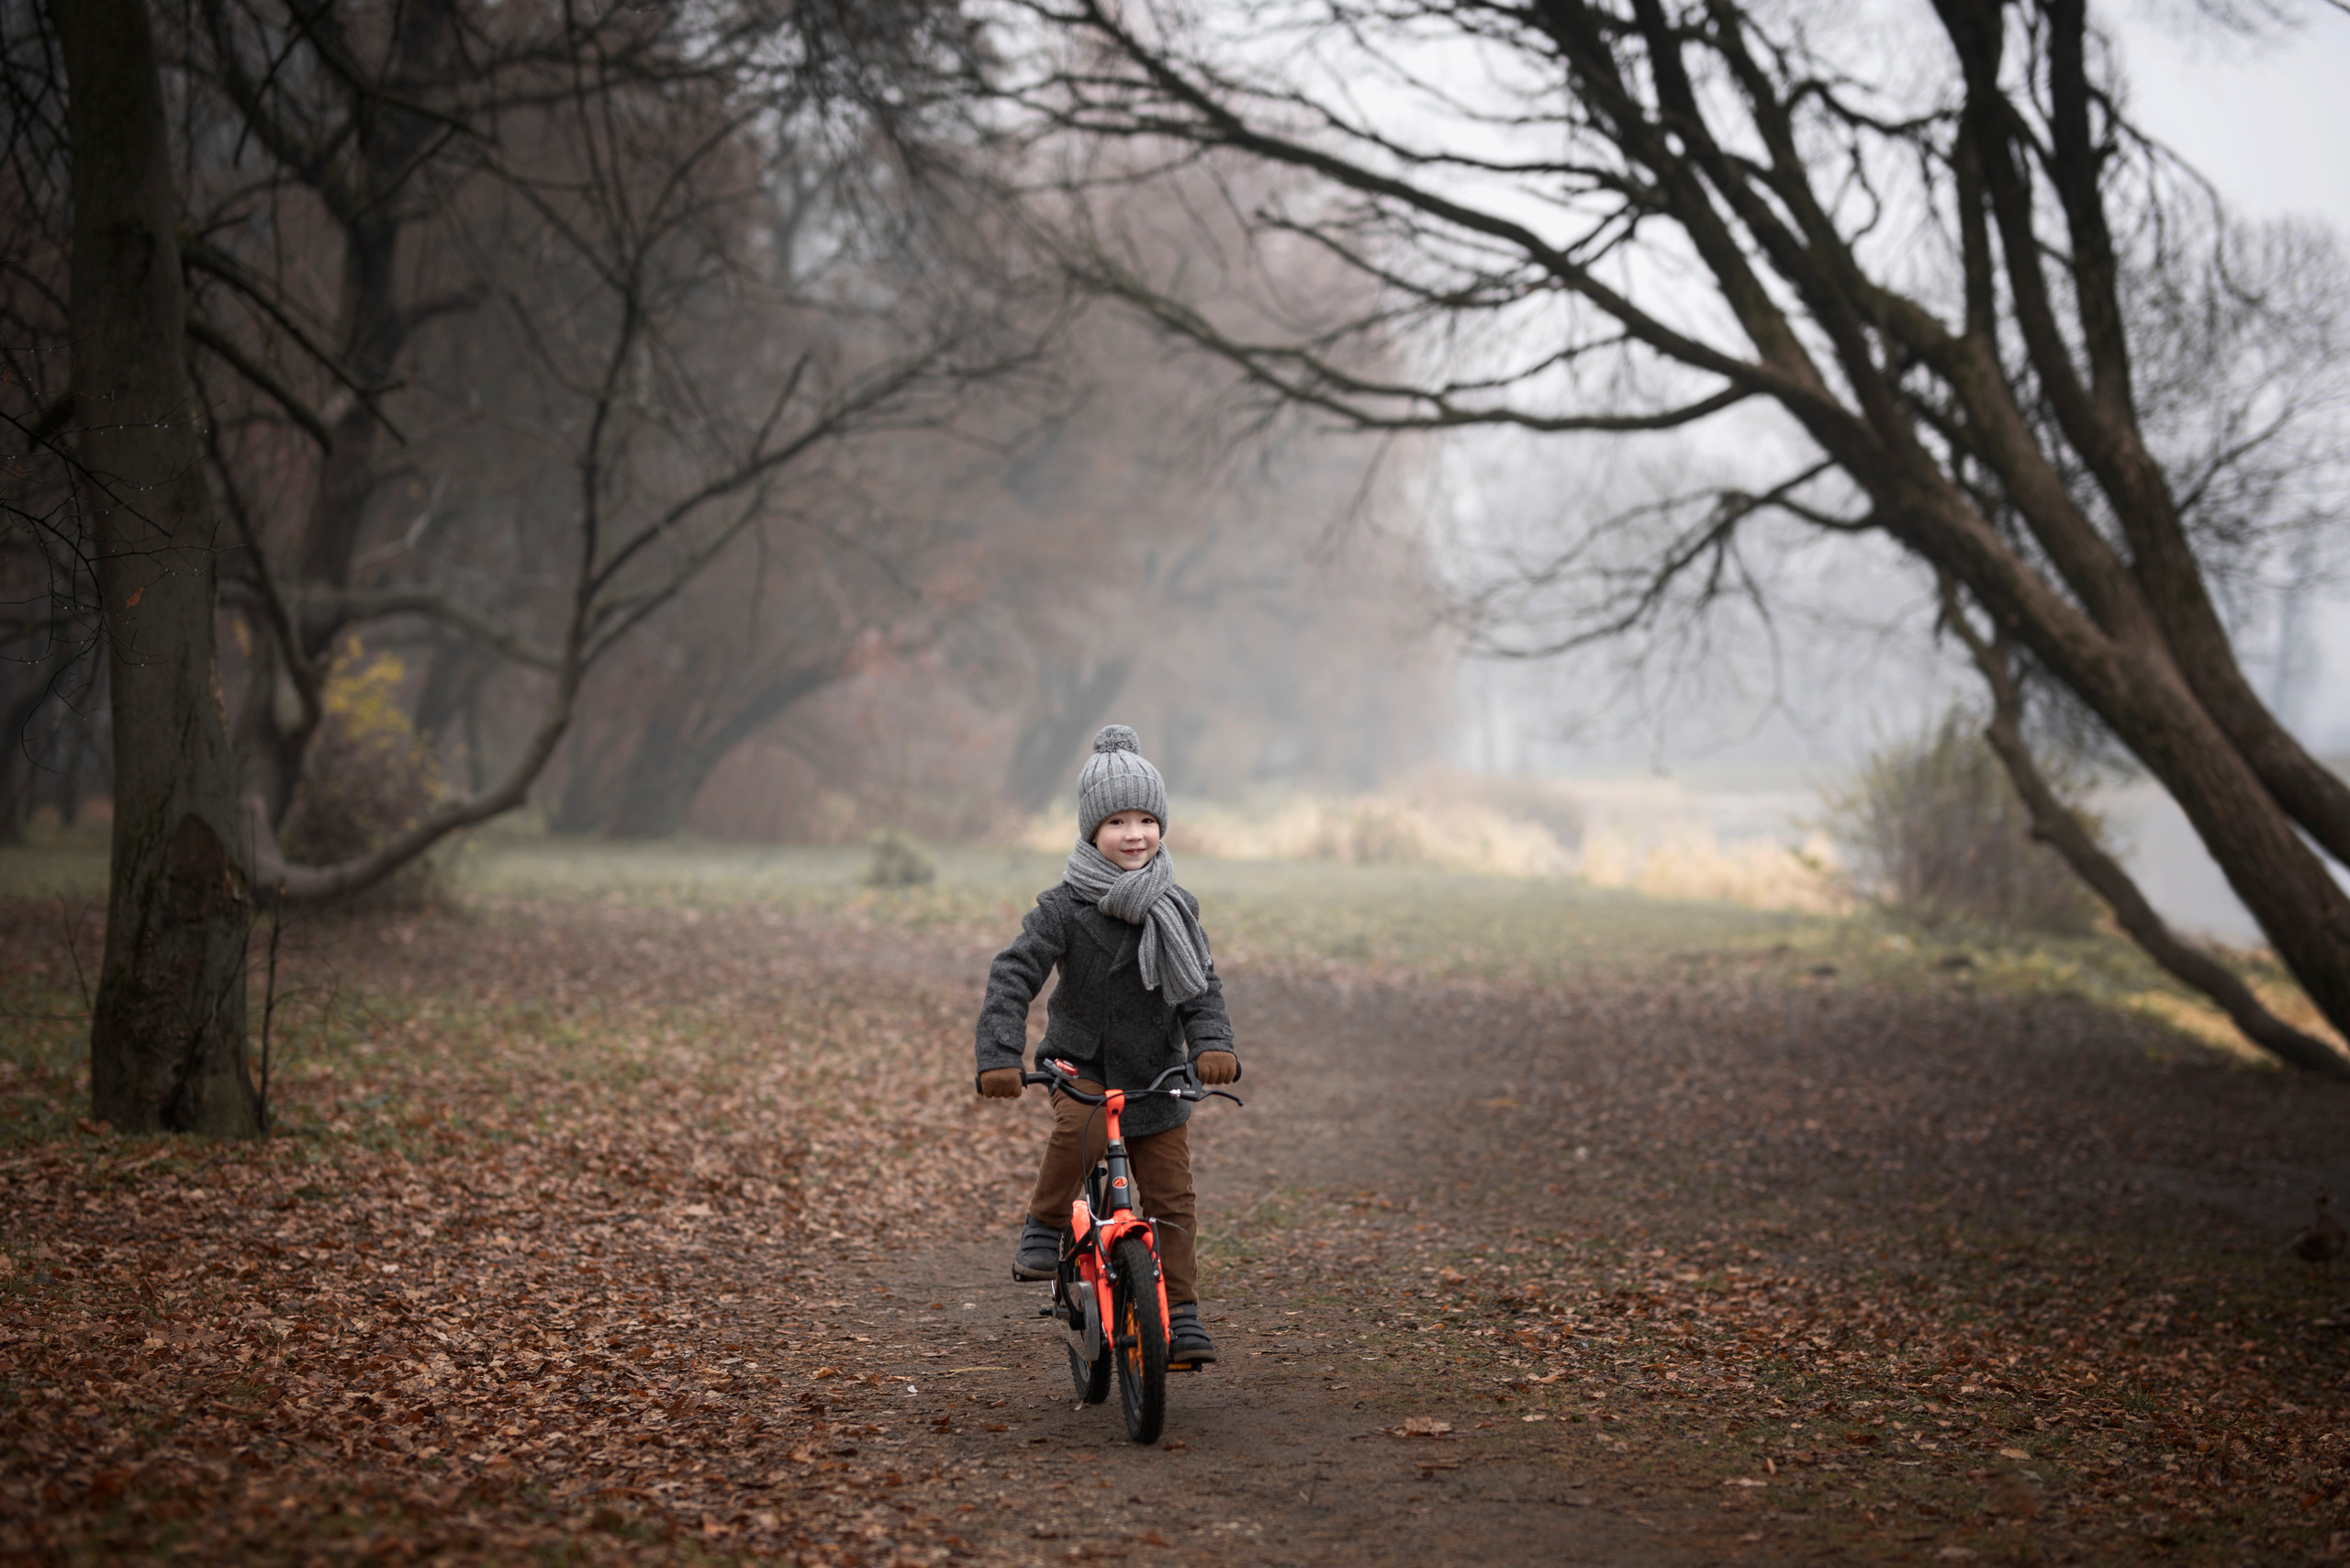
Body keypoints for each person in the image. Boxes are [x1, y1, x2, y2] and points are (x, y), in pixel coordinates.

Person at [975, 724, 1239, 1366]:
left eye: (1147, 819)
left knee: (1172, 1195)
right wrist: (999, 1057)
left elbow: (1200, 984)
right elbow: (1014, 975)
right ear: (1091, 831)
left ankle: (1180, 1313)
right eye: (1117, 820)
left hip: (1156, 1071)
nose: (1134, 834)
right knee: (1083, 1125)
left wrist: (1211, 1042)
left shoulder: (1176, 905)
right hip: (1082, 1061)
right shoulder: (1063, 908)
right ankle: (1043, 1225)